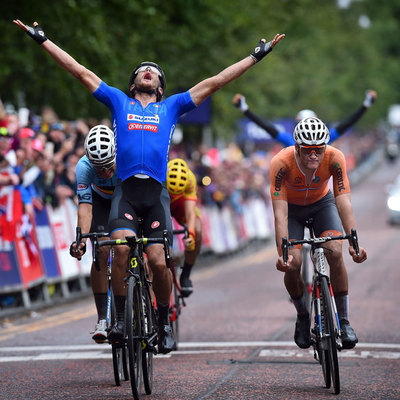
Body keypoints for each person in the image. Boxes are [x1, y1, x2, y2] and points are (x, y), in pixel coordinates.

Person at [14, 19, 285, 353]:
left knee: (158, 261)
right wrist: (43, 40)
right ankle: (118, 319)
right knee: (120, 248)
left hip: (155, 194)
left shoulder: (171, 106)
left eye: (153, 71)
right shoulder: (118, 102)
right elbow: (80, 71)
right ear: (132, 85)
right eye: (142, 69)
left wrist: (254, 58)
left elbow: (214, 82)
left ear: (160, 86)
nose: (147, 71)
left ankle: (162, 323)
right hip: (125, 194)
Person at [270, 117, 367, 350]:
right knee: (293, 263)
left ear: (325, 147)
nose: (314, 155)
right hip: (291, 210)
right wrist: (282, 252)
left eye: (318, 150)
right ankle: (303, 315)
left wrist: (353, 240)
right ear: (297, 147)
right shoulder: (281, 163)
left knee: (335, 251)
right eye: (308, 150)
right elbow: (280, 213)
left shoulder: (335, 158)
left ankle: (343, 322)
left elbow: (343, 201)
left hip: (323, 204)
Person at [69, 125, 118, 343]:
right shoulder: (83, 167)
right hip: (99, 202)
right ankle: (102, 319)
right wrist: (80, 240)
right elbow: (85, 207)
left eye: (108, 166)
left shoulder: (127, 157)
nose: (104, 173)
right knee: (100, 250)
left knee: (135, 245)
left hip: (124, 198)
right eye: (98, 168)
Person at [233, 90, 377, 147]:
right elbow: (267, 127)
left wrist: (365, 105)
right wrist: (245, 110)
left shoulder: (324, 138)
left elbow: (347, 123)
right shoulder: (290, 140)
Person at [167, 158, 202, 297]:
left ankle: (186, 274)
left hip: (180, 204)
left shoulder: (190, 179)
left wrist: (192, 234)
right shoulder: (159, 174)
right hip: (161, 202)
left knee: (198, 229)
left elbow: (190, 212)